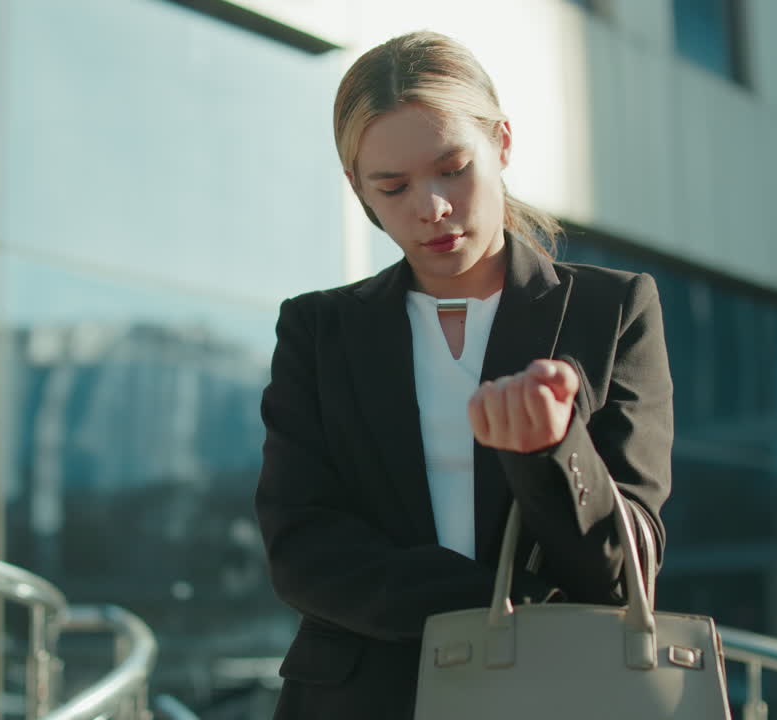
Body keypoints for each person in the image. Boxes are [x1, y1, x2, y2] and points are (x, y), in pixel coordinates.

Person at [255, 30, 673, 719]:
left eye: (452, 168)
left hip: (553, 696)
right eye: (393, 186)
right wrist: (507, 607)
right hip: (362, 700)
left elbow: (629, 570)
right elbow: (303, 550)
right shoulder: (318, 331)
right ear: (358, 188)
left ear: (502, 144)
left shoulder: (612, 309)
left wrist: (556, 449)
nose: (431, 208)